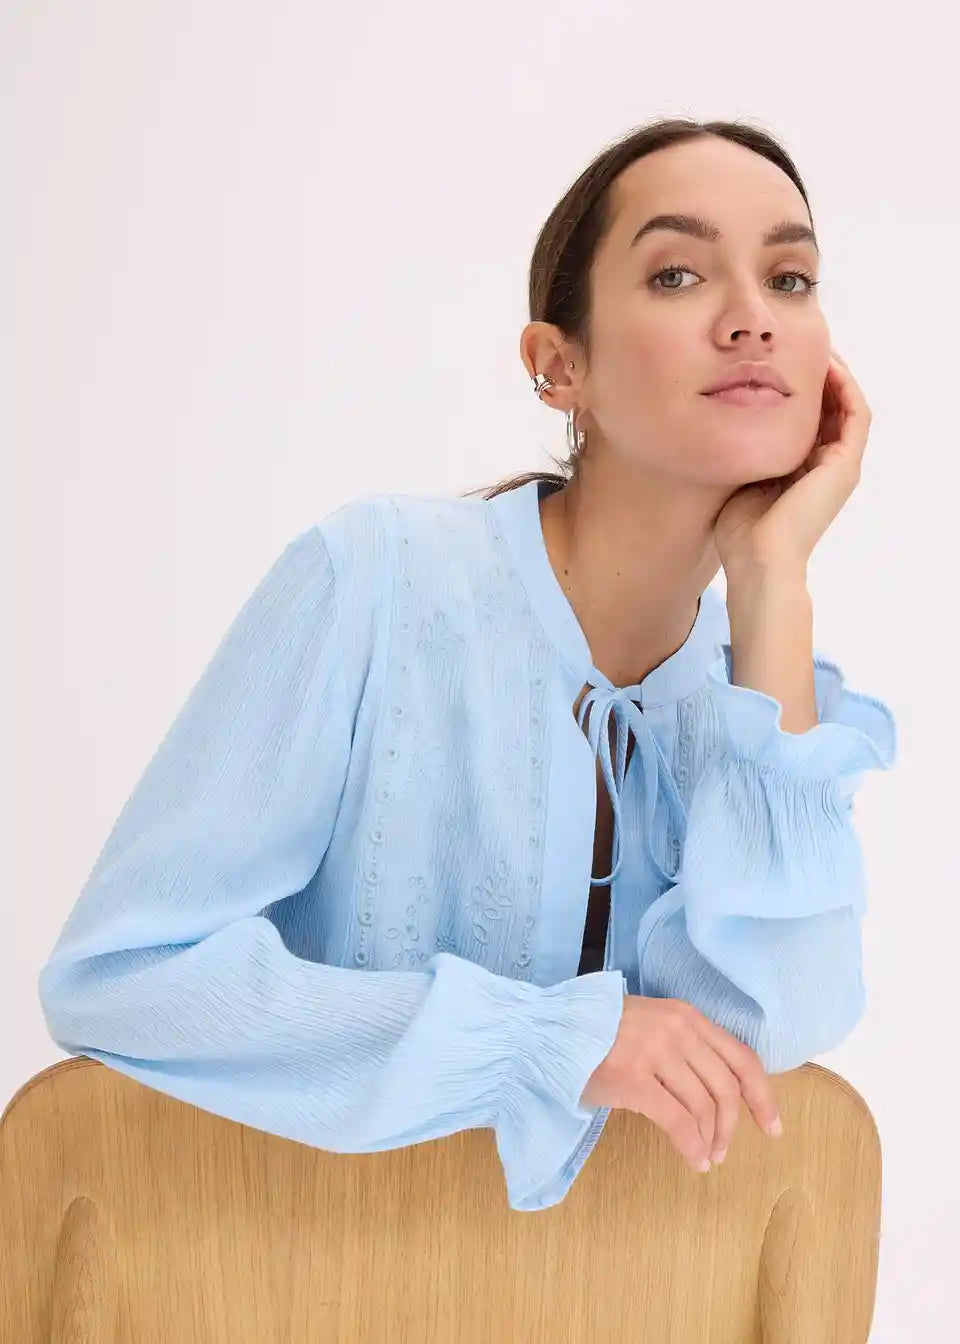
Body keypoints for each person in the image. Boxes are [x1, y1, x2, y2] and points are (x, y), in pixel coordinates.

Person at [36, 117, 897, 1214]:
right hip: (282, 1266)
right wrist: (541, 1041)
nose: (752, 319)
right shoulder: (375, 581)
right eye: (678, 275)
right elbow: (120, 979)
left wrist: (774, 582)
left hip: (606, 1292)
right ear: (558, 366)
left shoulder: (756, 702)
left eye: (790, 279)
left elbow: (772, 1036)